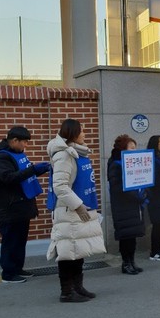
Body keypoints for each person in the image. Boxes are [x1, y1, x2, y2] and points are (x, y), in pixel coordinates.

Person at [46, 119, 106, 302]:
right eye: (82, 131)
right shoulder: (64, 155)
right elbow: (60, 186)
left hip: (78, 210)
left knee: (78, 250)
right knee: (67, 253)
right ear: (73, 133)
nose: (85, 134)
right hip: (69, 211)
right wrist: (78, 206)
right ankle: (67, 292)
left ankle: (78, 287)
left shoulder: (76, 153)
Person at [0, 126, 50, 284]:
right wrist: (33, 170)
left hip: (21, 206)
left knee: (20, 239)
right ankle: (8, 273)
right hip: (9, 207)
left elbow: (24, 173)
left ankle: (18, 268)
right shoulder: (1, 157)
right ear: (14, 141)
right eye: (24, 142)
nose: (26, 146)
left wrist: (38, 170)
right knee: (11, 240)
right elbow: (8, 177)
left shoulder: (17, 154)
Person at [107, 134, 146, 275]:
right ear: (123, 149)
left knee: (132, 236)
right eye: (132, 148)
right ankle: (126, 263)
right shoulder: (115, 164)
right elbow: (118, 187)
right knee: (125, 237)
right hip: (122, 206)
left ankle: (132, 261)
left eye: (135, 148)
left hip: (133, 205)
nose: (134, 151)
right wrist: (137, 196)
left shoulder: (132, 163)